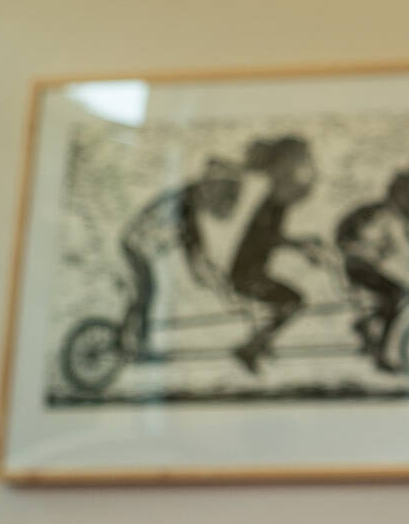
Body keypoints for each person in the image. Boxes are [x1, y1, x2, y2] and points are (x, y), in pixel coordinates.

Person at [116, 157, 242, 359]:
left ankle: (130, 339)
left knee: (145, 293)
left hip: (139, 242)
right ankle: (133, 343)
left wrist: (213, 277)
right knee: (146, 293)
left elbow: (196, 249)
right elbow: (194, 252)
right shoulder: (187, 204)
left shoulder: (190, 199)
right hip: (138, 244)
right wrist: (217, 285)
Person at [335, 161, 409, 373]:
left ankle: (367, 325)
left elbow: (405, 254)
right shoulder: (389, 217)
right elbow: (405, 254)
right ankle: (381, 354)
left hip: (357, 262)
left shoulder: (383, 212)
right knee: (397, 293)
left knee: (391, 295)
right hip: (360, 264)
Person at [228, 135, 321, 374]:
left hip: (250, 272)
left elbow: (272, 238)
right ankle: (251, 347)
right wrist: (301, 246)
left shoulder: (274, 204)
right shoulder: (273, 205)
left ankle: (260, 341)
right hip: (246, 276)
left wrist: (302, 244)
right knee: (292, 302)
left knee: (288, 301)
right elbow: (270, 239)